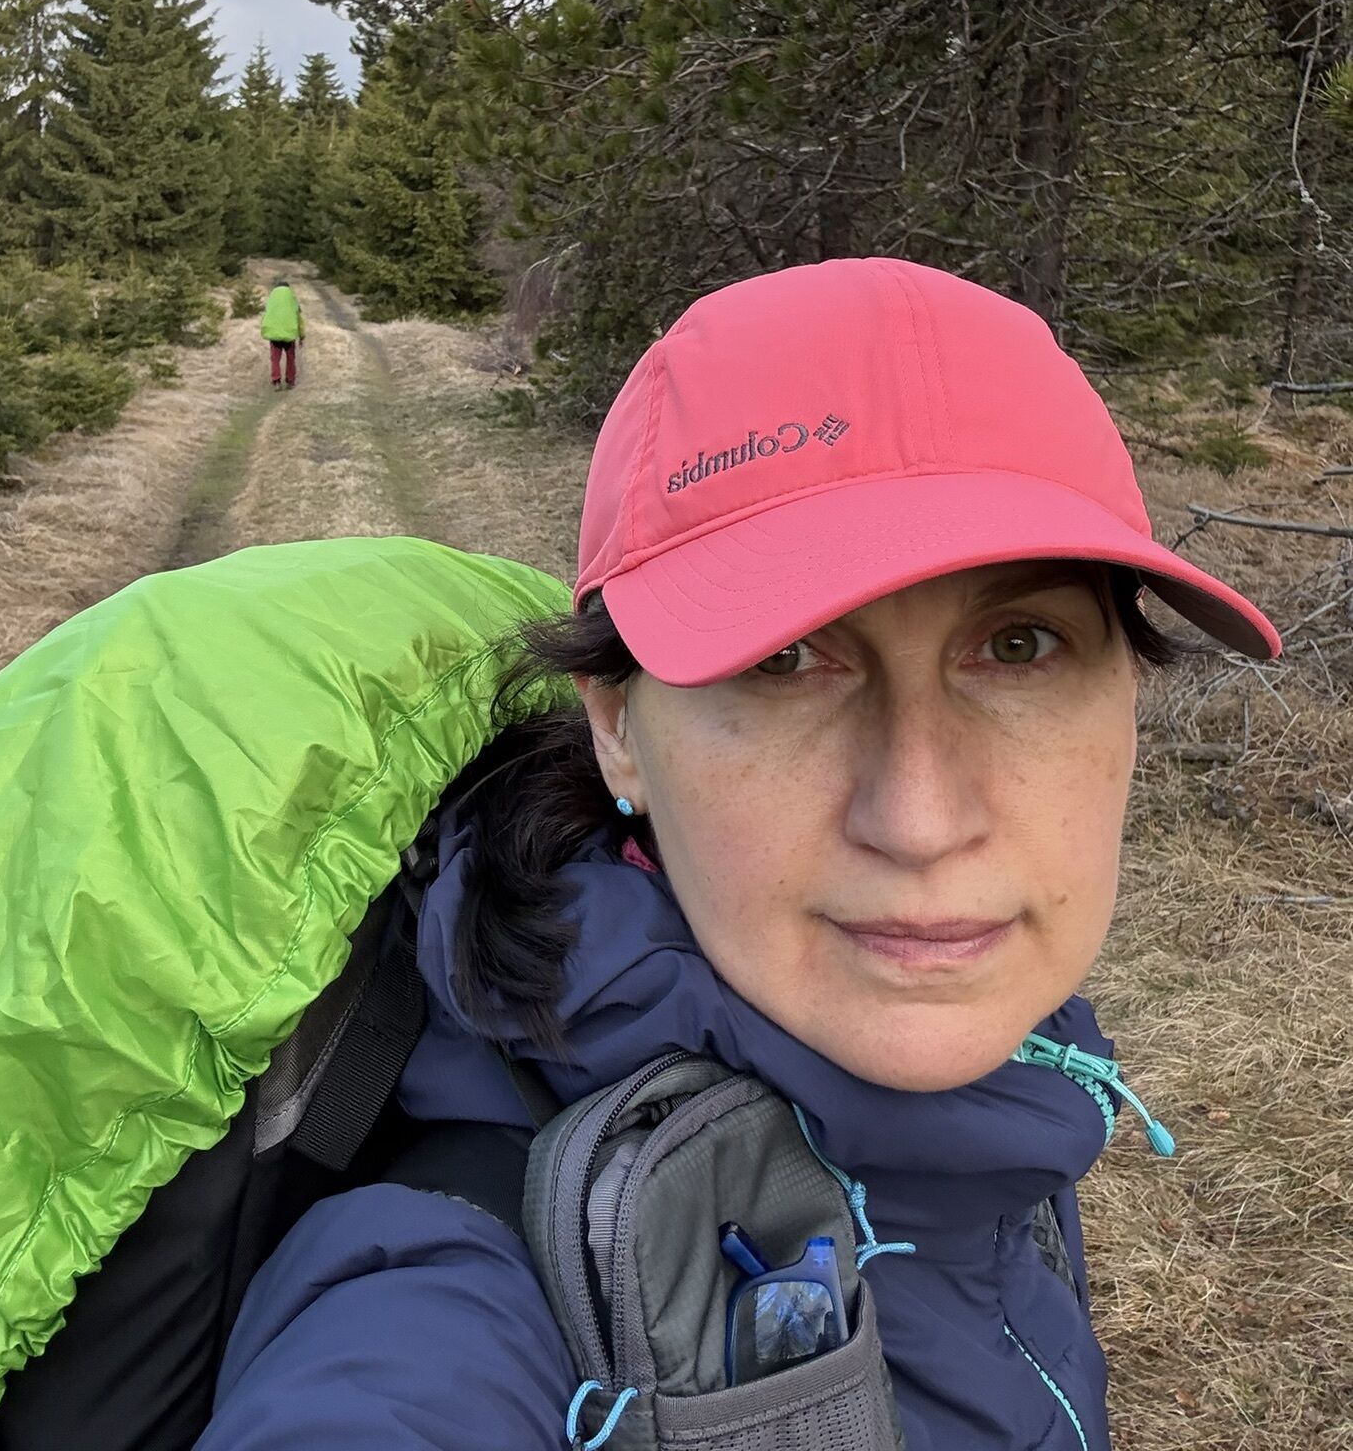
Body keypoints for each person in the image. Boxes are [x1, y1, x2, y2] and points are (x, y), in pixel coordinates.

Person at [192, 258, 1280, 1451]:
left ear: (1128, 697)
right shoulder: (442, 1320)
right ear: (618, 725)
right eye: (785, 658)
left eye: (1019, 644)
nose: (920, 818)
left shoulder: (1001, 1098)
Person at [260, 278, 305, 390]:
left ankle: (276, 381)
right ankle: (290, 381)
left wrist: (266, 331)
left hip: (274, 335)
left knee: (275, 359)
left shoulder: (271, 301)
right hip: (289, 335)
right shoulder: (292, 300)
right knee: (290, 358)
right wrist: (302, 336)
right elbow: (299, 319)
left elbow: (265, 318)